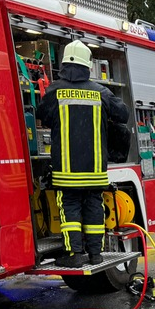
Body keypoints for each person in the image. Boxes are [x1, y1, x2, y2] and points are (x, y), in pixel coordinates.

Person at [36, 41, 129, 267]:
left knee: (70, 209)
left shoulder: (55, 91)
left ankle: (74, 254)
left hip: (67, 171)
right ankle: (96, 254)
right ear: (88, 66)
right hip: (95, 170)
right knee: (93, 208)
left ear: (65, 64)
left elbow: (42, 116)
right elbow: (122, 115)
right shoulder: (101, 92)